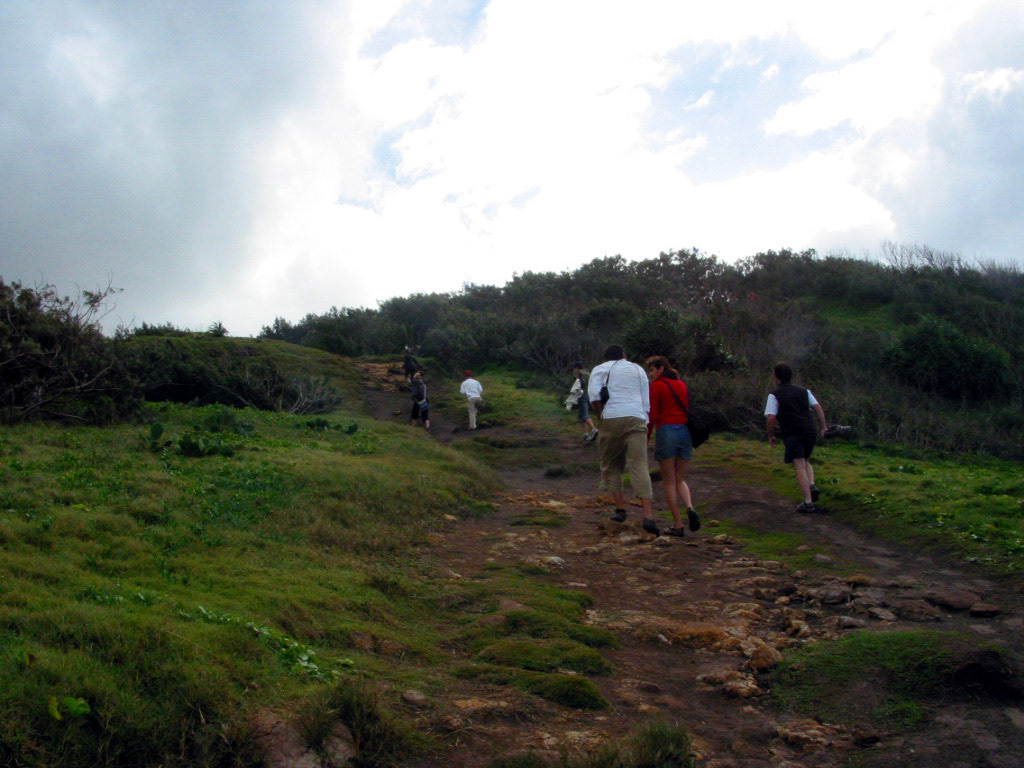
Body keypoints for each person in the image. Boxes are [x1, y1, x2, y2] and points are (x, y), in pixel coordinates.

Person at [587, 344, 659, 535]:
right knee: (639, 465)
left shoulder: (600, 369)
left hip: (612, 417)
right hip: (637, 417)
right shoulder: (638, 369)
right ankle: (648, 516)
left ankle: (620, 510)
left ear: (606, 357)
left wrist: (602, 417)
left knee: (611, 463)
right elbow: (646, 400)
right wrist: (644, 421)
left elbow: (594, 396)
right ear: (624, 355)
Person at [646, 356, 700, 536]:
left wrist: (647, 436)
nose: (650, 374)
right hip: (685, 432)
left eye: (652, 370)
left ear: (661, 369)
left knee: (668, 481)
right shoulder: (681, 384)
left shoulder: (656, 386)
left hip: (667, 431)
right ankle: (690, 507)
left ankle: (678, 525)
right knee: (680, 479)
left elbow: (652, 415)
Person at [764, 363, 828, 513]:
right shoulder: (804, 391)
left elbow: (771, 417)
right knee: (805, 460)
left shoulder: (774, 395)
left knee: (798, 464)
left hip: (792, 431)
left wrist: (771, 435)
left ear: (776, 377)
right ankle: (811, 485)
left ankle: (808, 502)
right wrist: (824, 427)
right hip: (810, 430)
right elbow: (817, 408)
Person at [566, 362, 598, 441]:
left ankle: (593, 429)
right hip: (589, 394)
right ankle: (586, 434)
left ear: (576, 367)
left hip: (581, 395)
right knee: (581, 414)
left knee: (584, 414)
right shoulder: (588, 373)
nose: (573, 370)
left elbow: (577, 383)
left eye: (574, 368)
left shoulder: (577, 373)